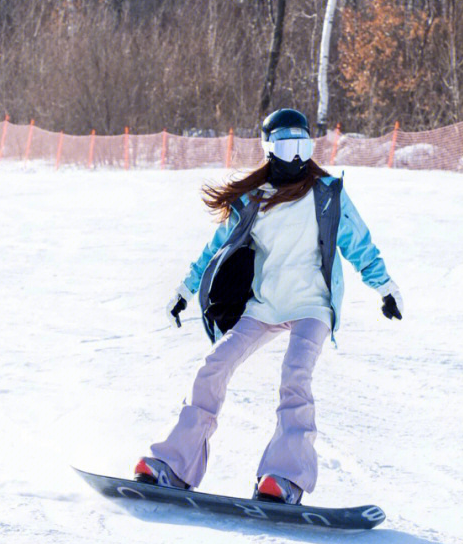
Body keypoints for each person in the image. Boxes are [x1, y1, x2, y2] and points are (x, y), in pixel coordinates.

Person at [135, 108, 402, 504]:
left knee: (295, 375)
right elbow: (215, 250)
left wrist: (386, 287)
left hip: (313, 305)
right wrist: (184, 291)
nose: (295, 156)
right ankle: (174, 464)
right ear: (268, 149)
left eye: (303, 145)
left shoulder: (327, 194)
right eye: (285, 145)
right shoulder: (251, 200)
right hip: (264, 305)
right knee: (213, 367)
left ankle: (285, 477)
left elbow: (359, 243)